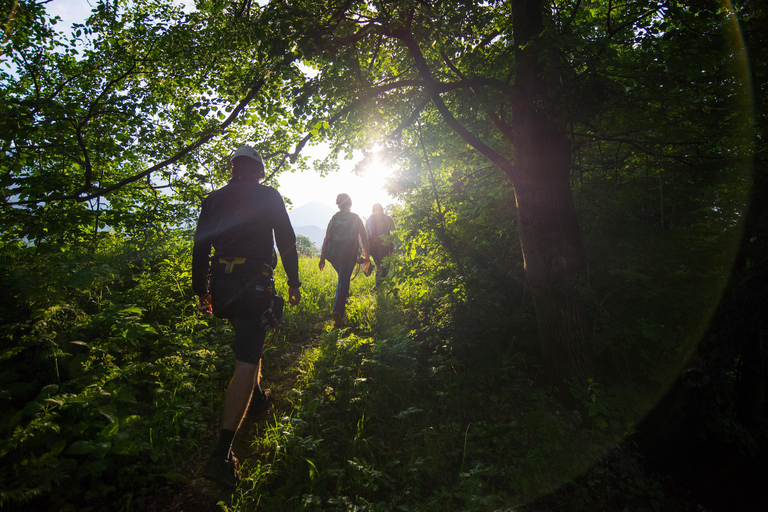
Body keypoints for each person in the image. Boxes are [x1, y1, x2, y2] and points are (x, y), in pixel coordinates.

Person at [192, 144, 301, 489]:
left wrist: (201, 290)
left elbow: (200, 246)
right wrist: (294, 281)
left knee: (249, 341)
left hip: (222, 285)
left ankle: (256, 399)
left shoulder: (213, 199)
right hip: (253, 283)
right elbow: (286, 240)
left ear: (233, 168)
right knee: (246, 359)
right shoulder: (269, 196)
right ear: (259, 170)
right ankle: (221, 455)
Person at [319, 193, 370, 327]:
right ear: (350, 204)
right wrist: (367, 257)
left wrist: (322, 257)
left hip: (333, 255)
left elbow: (327, 238)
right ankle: (338, 312)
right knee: (343, 280)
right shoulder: (356, 218)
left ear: (338, 204)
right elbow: (364, 239)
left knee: (343, 278)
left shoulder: (334, 218)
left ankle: (343, 300)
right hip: (349, 254)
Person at [365, 203, 396, 288]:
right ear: (382, 209)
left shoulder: (369, 220)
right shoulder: (388, 218)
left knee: (379, 267)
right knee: (385, 267)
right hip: (386, 246)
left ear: (373, 210)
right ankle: (378, 287)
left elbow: (367, 235)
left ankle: (379, 287)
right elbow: (394, 233)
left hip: (373, 247)